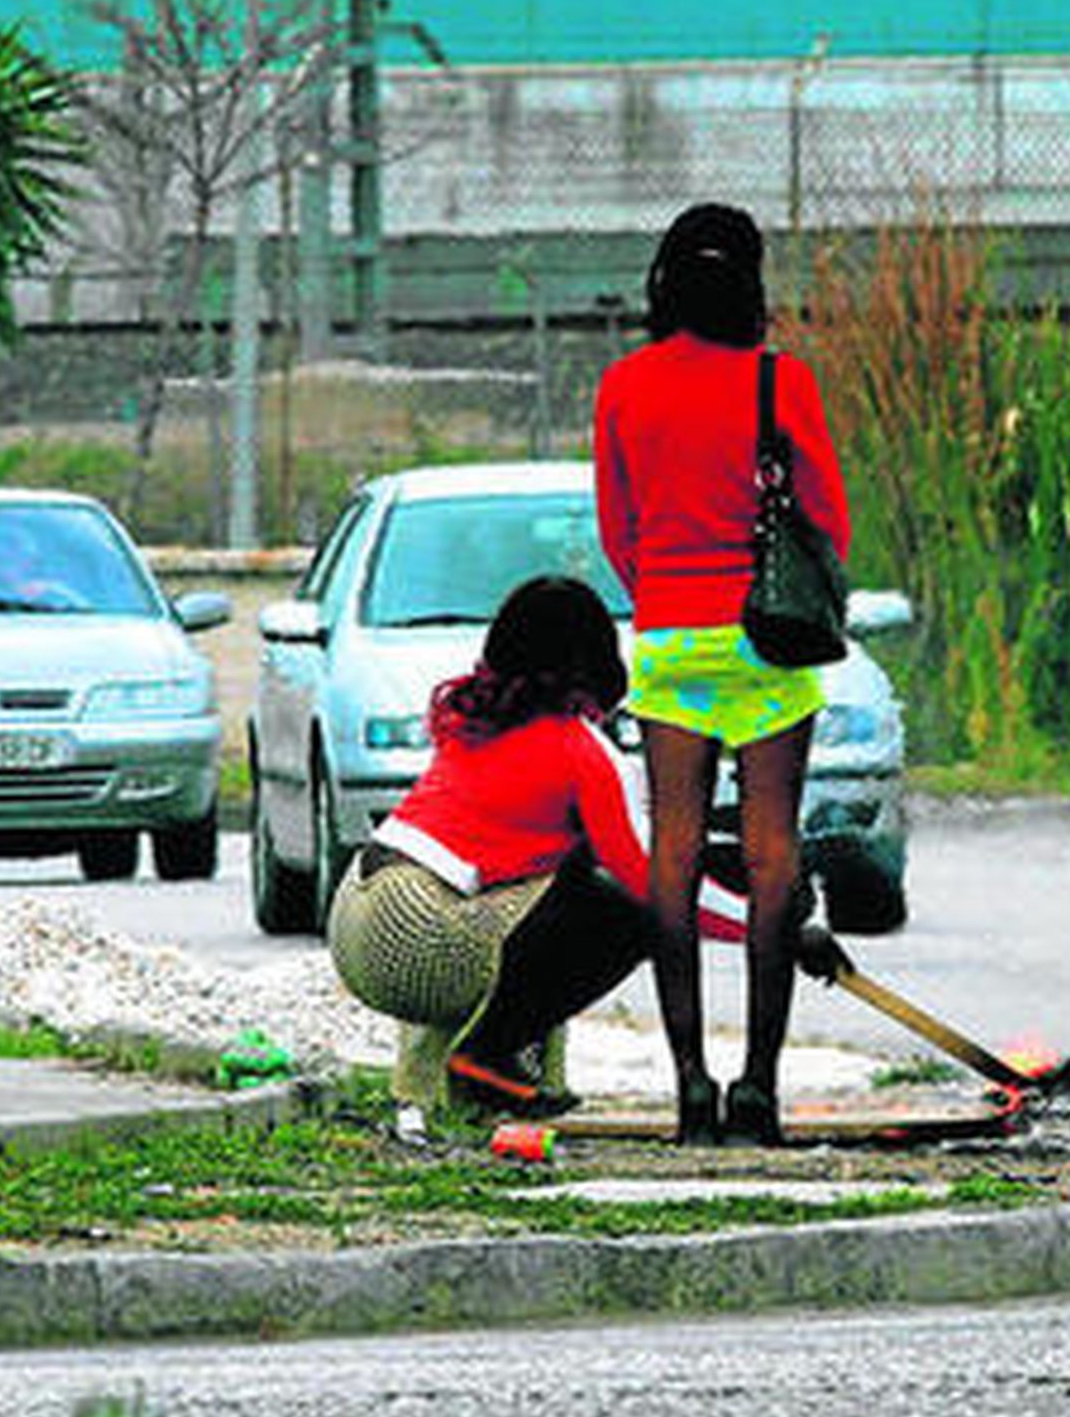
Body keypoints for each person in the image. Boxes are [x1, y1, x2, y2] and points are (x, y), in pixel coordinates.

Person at [594, 201, 850, 1146]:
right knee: (774, 851)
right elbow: (824, 512)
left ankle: (689, 1088)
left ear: (665, 279)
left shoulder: (623, 385)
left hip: (669, 635)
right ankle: (760, 1088)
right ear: (750, 280)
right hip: (764, 639)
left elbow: (616, 526)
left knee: (675, 848)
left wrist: (664, 595)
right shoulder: (783, 383)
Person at [326, 575, 657, 1120]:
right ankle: (490, 1055)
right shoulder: (577, 744)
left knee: (541, 904)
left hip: (355, 916)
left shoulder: (478, 723)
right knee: (618, 914)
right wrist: (772, 924)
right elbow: (647, 879)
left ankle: (444, 1087)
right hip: (414, 932)